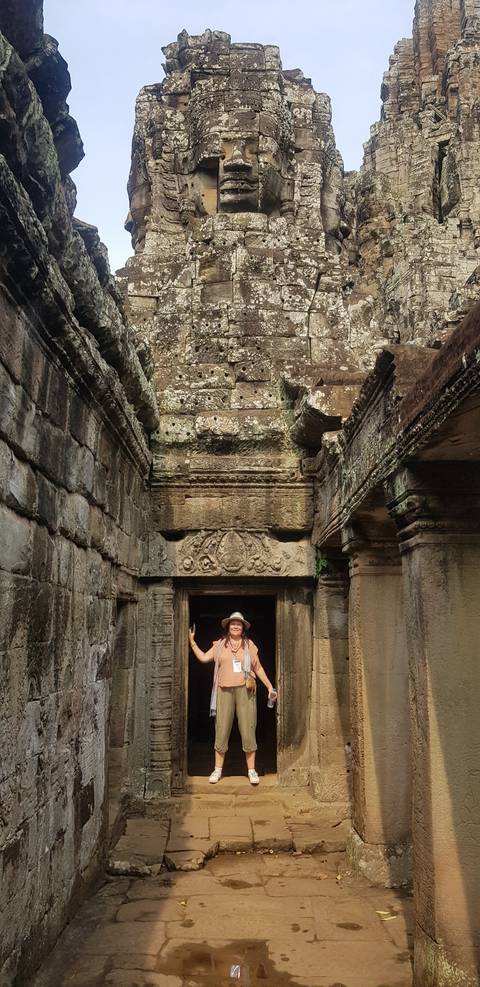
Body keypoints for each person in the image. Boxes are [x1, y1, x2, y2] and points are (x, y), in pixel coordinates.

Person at [188, 611, 277, 785]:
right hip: (224, 690)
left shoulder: (249, 645)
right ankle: (217, 770)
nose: (235, 626)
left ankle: (251, 770)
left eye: (239, 624)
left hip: (246, 690)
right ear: (228, 627)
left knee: (248, 728)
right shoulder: (220, 645)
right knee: (221, 729)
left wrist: (269, 686)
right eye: (233, 624)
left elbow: (258, 668)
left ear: (243, 628)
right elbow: (204, 658)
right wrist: (192, 642)